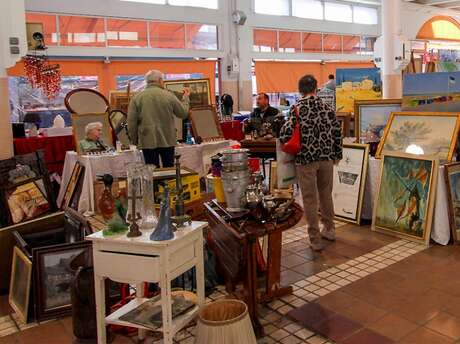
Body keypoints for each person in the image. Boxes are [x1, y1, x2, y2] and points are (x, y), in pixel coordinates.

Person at [280, 75, 342, 252]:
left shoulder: (297, 108)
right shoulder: (327, 107)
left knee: (310, 199)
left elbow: (286, 133)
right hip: (326, 158)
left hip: (306, 159)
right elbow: (337, 132)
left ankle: (315, 239)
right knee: (326, 194)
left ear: (300, 90)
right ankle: (330, 229)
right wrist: (337, 154)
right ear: (316, 88)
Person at [128, 70, 190, 167]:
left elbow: (131, 123)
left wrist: (135, 141)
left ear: (147, 81)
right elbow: (183, 113)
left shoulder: (137, 98)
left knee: (152, 172)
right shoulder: (169, 95)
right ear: (160, 80)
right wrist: (185, 99)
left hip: (147, 141)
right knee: (169, 170)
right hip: (168, 140)